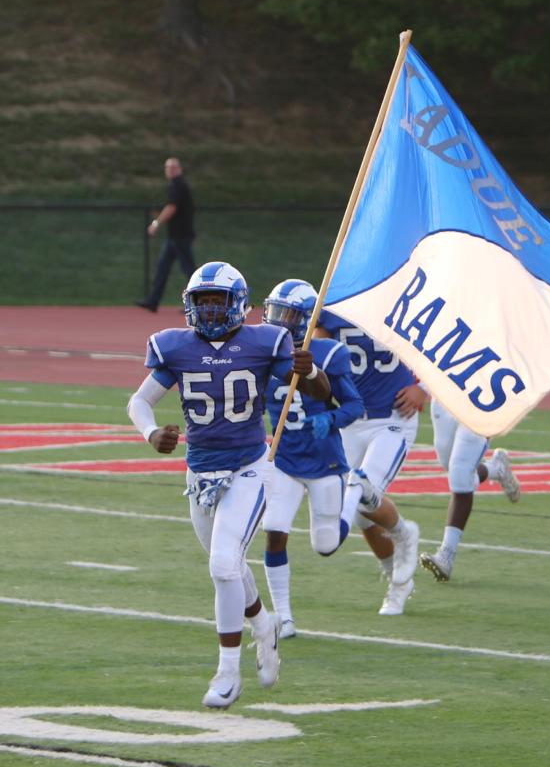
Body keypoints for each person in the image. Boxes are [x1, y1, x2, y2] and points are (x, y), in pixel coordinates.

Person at [125, 261, 332, 708]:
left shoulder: (265, 341)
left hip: (249, 467)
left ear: (237, 302)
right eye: (204, 301)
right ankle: (263, 625)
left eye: (219, 300)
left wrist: (310, 371)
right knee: (231, 565)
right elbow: (140, 400)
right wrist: (149, 433)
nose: (212, 310)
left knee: (222, 565)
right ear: (190, 304)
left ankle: (227, 672)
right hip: (199, 472)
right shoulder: (174, 347)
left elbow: (321, 393)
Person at [258, 280, 364, 639]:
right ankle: (284, 617)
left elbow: (354, 406)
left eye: (285, 314)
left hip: (324, 462)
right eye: (273, 311)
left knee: (325, 545)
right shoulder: (263, 354)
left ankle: (355, 494)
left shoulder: (329, 353)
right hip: (285, 459)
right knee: (274, 532)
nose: (276, 321)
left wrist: (329, 418)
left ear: (305, 319)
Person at [315, 310, 423, 616]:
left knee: (363, 492)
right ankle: (396, 578)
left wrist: (423, 387)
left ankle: (404, 534)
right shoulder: (333, 307)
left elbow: (438, 347)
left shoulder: (398, 297)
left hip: (392, 418)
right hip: (351, 420)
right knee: (359, 513)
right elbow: (319, 364)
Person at [417, 401, 521, 583]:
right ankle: (496, 468)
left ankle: (446, 555)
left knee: (460, 471)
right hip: (446, 396)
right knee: (454, 469)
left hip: (482, 401)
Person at [136, 157, 196, 312]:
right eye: (167, 167)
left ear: (178, 169)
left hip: (181, 236)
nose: (169, 170)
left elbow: (171, 207)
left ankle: (196, 304)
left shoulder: (178, 185)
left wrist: (156, 223)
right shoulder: (176, 185)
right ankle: (153, 301)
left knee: (189, 270)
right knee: (162, 267)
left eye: (172, 167)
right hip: (174, 237)